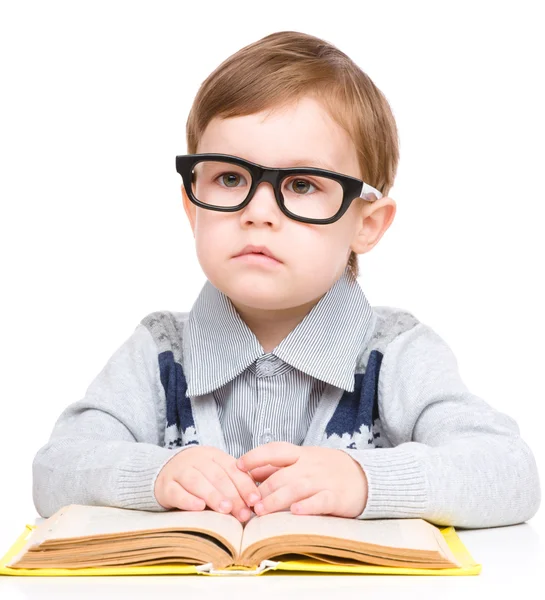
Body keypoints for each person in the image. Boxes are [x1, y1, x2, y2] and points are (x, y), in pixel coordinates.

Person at [32, 30, 540, 528]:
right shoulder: (160, 351)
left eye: (301, 185)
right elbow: (55, 470)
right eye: (229, 178)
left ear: (366, 224)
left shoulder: (396, 353)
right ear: (192, 209)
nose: (258, 212)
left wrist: (365, 480)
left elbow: (509, 474)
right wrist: (155, 473)